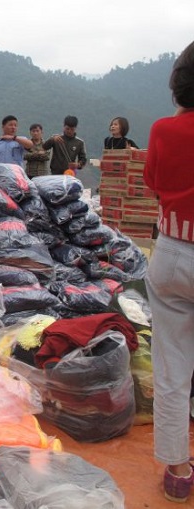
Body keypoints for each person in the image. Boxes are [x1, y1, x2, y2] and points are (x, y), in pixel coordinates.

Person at [144, 39, 194, 504]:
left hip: (173, 252)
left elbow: (154, 184)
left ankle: (179, 471)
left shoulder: (163, 130)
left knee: (174, 367)